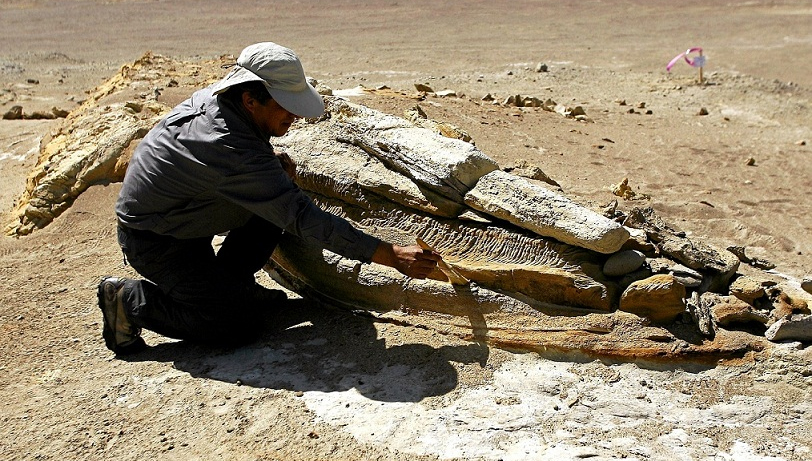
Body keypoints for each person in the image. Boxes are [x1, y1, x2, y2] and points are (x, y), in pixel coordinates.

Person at [98, 42, 440, 355]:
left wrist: (267, 173)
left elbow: (231, 171)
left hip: (186, 219)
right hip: (156, 242)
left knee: (276, 200)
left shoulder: (224, 102)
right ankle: (129, 301)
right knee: (236, 324)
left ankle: (233, 287)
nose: (294, 116)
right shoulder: (226, 143)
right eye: (286, 107)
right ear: (251, 99)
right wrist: (390, 255)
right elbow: (305, 218)